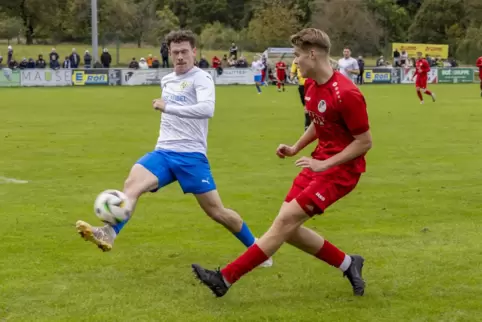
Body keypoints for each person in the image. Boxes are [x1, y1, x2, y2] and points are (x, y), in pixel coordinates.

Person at [192, 27, 372, 297]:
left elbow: (364, 141)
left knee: (284, 222)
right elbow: (319, 123)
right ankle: (349, 263)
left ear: (313, 54)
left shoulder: (347, 93)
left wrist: (326, 165)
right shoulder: (311, 85)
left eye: (298, 55)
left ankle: (225, 279)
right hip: (316, 163)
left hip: (340, 172)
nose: (295, 61)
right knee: (288, 229)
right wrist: (295, 147)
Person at [75, 30, 272, 269]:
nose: (180, 57)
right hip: (164, 152)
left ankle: (257, 249)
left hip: (191, 156)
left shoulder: (202, 79)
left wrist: (169, 107)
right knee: (132, 185)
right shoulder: (167, 79)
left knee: (217, 212)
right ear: (169, 53)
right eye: (175, 52)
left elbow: (206, 109)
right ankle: (109, 233)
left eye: (184, 52)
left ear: (194, 52)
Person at [290, 58, 309, 130]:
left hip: (311, 84)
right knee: (306, 107)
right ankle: (307, 125)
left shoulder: (309, 58)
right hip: (302, 86)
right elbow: (292, 71)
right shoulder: (295, 61)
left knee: (311, 105)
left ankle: (308, 125)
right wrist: (292, 76)